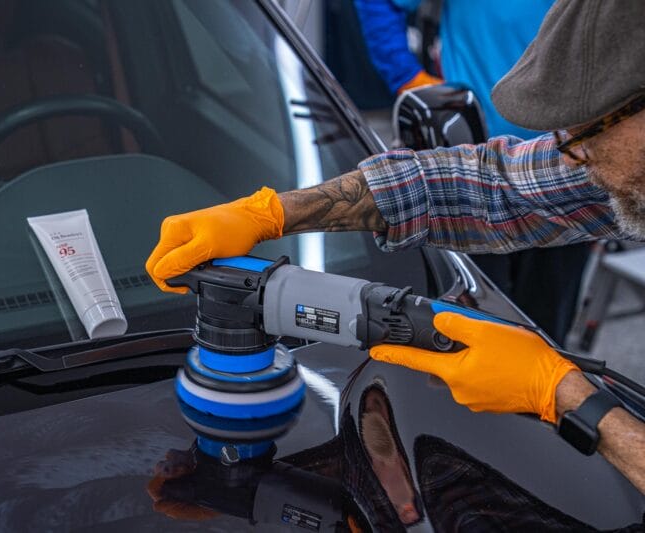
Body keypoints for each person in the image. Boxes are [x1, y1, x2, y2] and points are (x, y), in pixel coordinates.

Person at [145, 0, 645, 493]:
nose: (573, 156)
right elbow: (493, 187)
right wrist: (273, 213)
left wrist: (568, 397)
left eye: (588, 131)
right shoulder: (615, 162)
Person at [353, 0, 589, 345]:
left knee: (547, 331)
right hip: (474, 172)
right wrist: (409, 78)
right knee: (471, 325)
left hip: (573, 164)